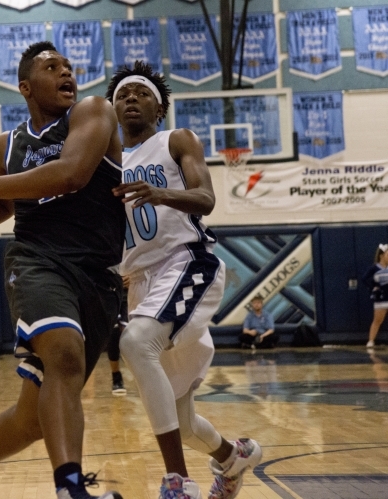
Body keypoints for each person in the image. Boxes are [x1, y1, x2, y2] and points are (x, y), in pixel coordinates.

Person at [0, 41, 125, 499]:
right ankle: (70, 490)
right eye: (52, 67)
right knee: (65, 357)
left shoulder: (94, 111)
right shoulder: (8, 144)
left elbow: (72, 172)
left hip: (97, 274)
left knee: (34, 418)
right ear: (24, 86)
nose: (66, 72)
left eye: (69, 66)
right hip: (36, 259)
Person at [108, 61, 261, 499]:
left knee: (136, 343)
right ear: (113, 109)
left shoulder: (175, 140)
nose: (131, 98)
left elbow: (206, 199)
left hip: (187, 263)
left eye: (141, 92)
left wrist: (161, 194)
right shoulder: (108, 163)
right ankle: (234, 457)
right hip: (141, 282)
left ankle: (178, 482)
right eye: (123, 94)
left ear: (159, 107)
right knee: (180, 416)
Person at [362, 243, 388, 349]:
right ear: (381, 255)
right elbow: (364, 279)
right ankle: (371, 341)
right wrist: (373, 287)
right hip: (381, 298)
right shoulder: (374, 268)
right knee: (377, 320)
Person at [108, 274, 129, 395]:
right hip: (109, 291)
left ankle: (145, 376)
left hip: (132, 294)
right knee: (114, 334)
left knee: (133, 335)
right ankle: (116, 376)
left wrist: (133, 277)